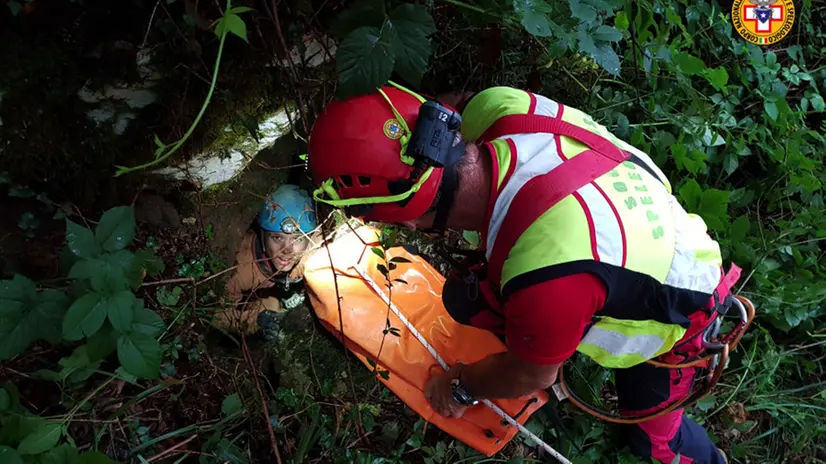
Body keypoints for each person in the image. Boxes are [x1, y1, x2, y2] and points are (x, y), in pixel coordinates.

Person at [306, 84, 740, 463]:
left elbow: (532, 376)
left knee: (652, 442)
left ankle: (706, 458)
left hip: (684, 310)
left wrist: (459, 387)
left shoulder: (544, 277)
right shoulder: (504, 109)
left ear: (408, 223)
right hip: (645, 237)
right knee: (471, 297)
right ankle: (558, 331)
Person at [214, 184, 317, 339]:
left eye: (298, 238)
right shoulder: (240, 265)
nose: (287, 250)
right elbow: (215, 316)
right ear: (262, 236)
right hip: (257, 299)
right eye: (277, 238)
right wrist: (255, 322)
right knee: (271, 307)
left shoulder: (317, 249)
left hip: (274, 292)